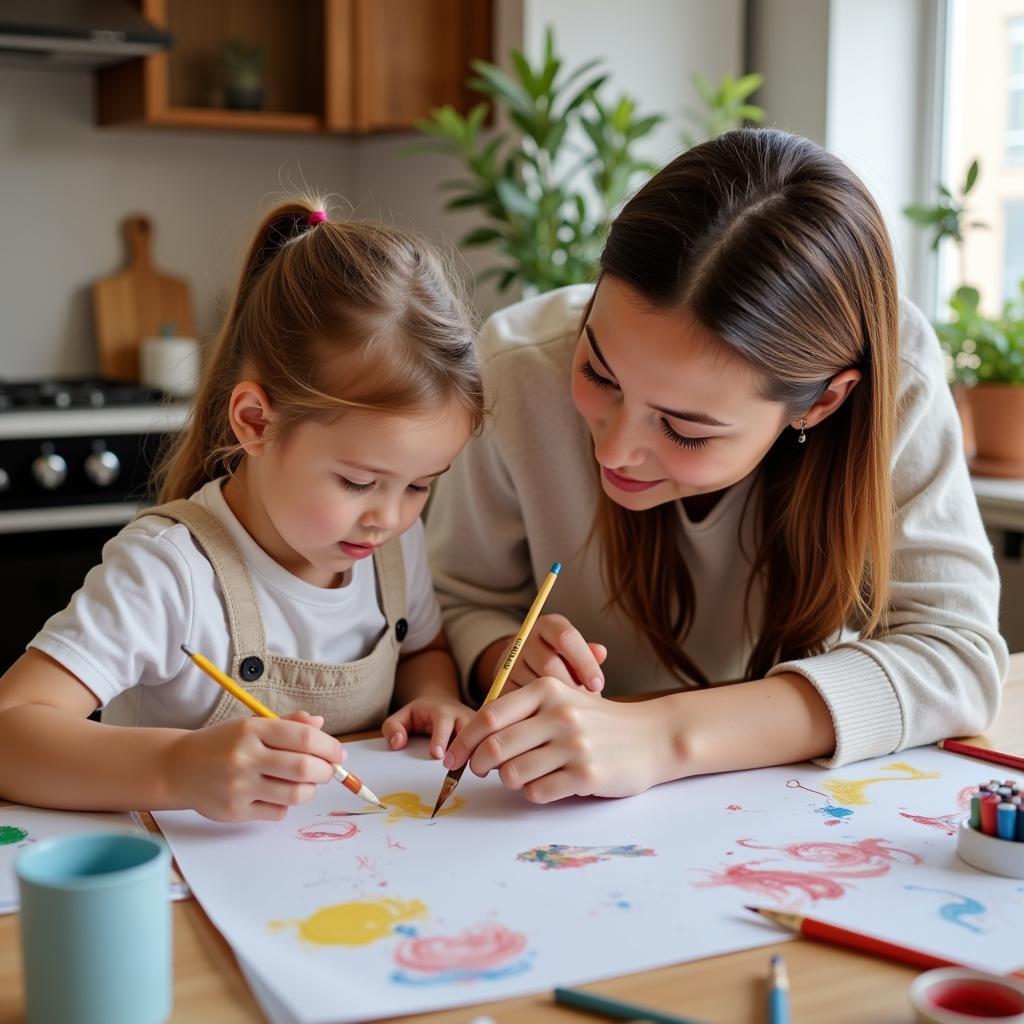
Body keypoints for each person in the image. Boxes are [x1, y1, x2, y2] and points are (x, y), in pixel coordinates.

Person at [429, 128, 1008, 804]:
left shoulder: (895, 382)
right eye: (599, 373)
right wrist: (504, 653)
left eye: (684, 428)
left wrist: (663, 735)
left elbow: (958, 658)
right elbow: (457, 599)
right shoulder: (519, 365)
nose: (613, 450)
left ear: (821, 403)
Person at [0, 200, 484, 821]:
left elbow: (422, 647)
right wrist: (177, 769)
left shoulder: (391, 548)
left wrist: (436, 695)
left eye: (421, 486)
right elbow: (12, 731)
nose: (388, 518)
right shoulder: (168, 571)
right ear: (255, 422)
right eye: (359, 482)